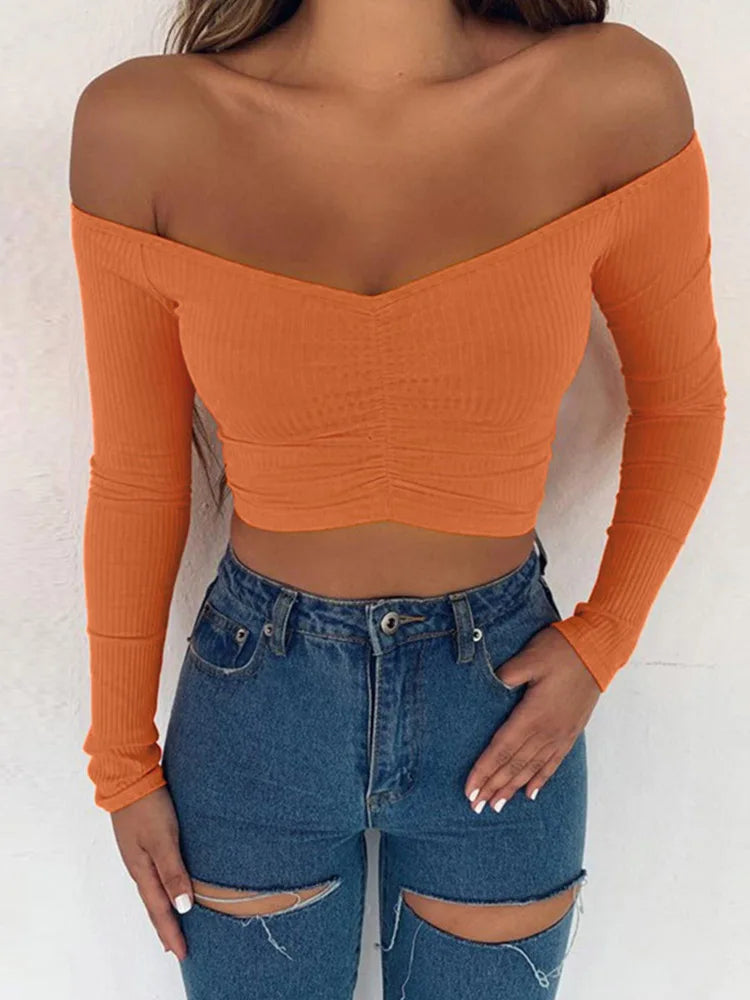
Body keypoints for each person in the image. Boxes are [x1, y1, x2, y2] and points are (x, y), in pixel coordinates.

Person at [67, 2, 727, 997]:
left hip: (501, 699)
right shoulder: (142, 127)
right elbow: (137, 471)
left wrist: (604, 641)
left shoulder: (612, 97)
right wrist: (120, 761)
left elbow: (684, 403)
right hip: (258, 703)